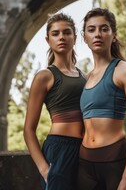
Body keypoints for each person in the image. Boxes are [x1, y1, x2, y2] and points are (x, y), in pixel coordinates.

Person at [76, 8, 126, 190]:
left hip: (115, 161)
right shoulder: (86, 77)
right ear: (84, 37)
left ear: (113, 35)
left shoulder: (125, 70)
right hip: (84, 164)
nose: (97, 34)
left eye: (104, 29)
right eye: (91, 29)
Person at [24, 12, 86, 190]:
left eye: (67, 33)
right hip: (59, 150)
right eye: (56, 33)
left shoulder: (84, 76)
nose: (62, 37)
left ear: (74, 38)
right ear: (48, 40)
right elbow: (28, 130)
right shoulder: (45, 76)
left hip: (85, 151)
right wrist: (44, 169)